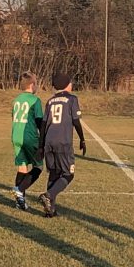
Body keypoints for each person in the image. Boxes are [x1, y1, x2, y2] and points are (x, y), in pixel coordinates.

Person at [41, 71, 87, 216]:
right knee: (68, 174)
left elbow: (43, 124)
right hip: (63, 142)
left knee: (54, 173)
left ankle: (50, 210)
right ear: (67, 85)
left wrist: (41, 145)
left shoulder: (50, 101)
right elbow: (76, 121)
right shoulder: (72, 99)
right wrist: (82, 139)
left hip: (49, 141)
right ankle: (49, 195)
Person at [10, 72, 46, 211]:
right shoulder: (35, 100)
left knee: (22, 168)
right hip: (29, 137)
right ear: (32, 85)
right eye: (36, 84)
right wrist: (43, 138)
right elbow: (39, 122)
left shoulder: (16, 100)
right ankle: (19, 190)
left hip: (16, 136)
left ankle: (19, 202)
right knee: (38, 167)